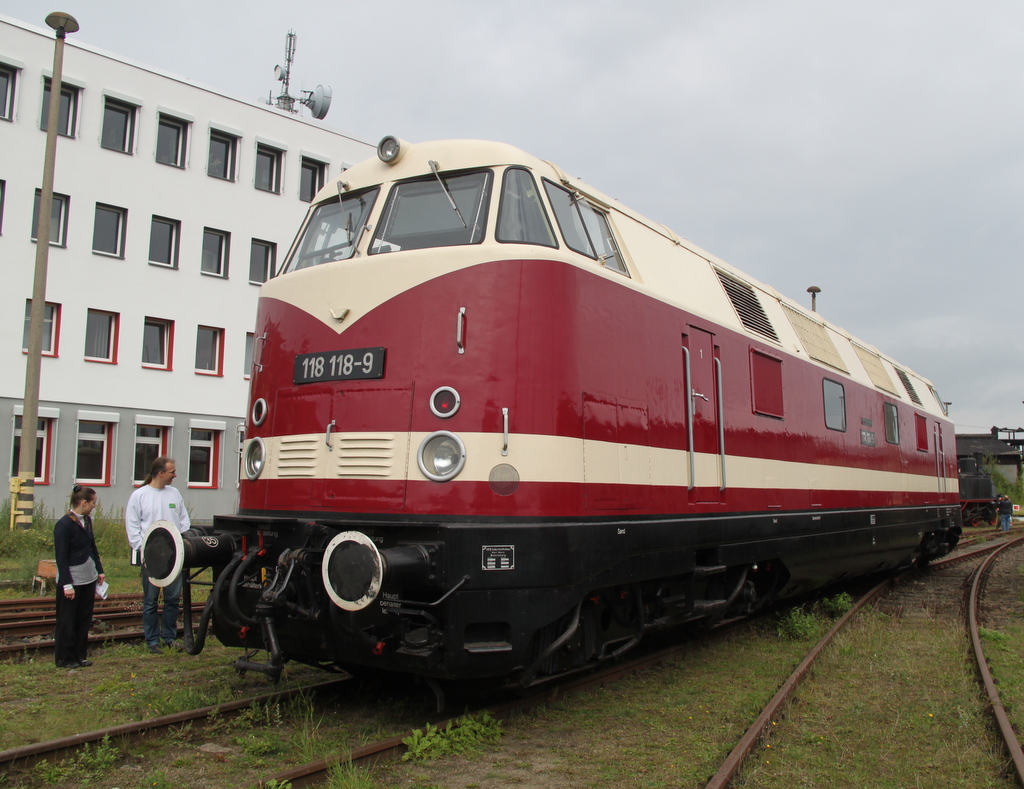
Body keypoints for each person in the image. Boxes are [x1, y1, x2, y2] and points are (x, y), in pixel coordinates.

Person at [125, 456, 191, 653]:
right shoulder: (140, 496)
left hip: (173, 556)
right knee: (151, 600)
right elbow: (133, 527)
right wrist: (144, 550)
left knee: (172, 599)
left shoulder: (174, 494)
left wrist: (178, 543)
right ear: (160, 473)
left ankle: (169, 637)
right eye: (172, 472)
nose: (175, 475)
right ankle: (152, 640)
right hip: (152, 558)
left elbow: (184, 521)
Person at [53, 485, 105, 669]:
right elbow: (61, 557)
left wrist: (99, 569)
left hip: (88, 577)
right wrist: (66, 584)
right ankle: (65, 658)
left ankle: (79, 655)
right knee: (67, 621)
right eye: (93, 503)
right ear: (83, 503)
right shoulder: (63, 525)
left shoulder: (87, 521)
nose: (94, 506)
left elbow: (92, 547)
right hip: (72, 579)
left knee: (83, 618)